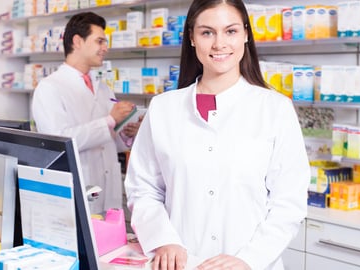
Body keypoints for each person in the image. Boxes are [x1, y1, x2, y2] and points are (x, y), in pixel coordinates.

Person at [124, 0, 310, 269]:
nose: (219, 43)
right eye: (207, 32)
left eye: (231, 31)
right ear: (191, 38)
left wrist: (249, 259)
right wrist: (164, 240)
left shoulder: (275, 109)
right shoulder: (164, 108)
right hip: (181, 262)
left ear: (246, 34)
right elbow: (143, 189)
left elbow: (288, 203)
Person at [31, 12, 141, 214]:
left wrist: (126, 133)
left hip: (107, 190)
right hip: (76, 189)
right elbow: (59, 141)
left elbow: (106, 141)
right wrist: (110, 120)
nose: (105, 48)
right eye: (100, 41)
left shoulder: (103, 88)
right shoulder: (50, 88)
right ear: (77, 41)